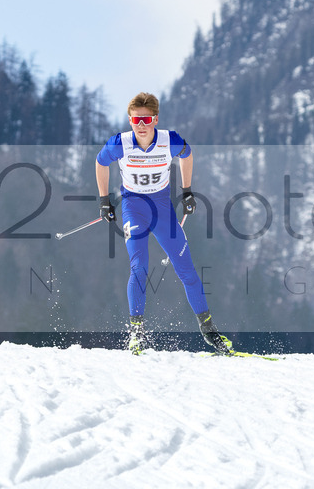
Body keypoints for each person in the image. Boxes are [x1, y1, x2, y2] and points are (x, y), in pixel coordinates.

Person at [95, 91, 235, 355]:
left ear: (156, 119)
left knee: (187, 271)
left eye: (147, 120)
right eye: (137, 121)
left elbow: (187, 155)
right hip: (134, 208)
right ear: (129, 120)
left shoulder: (169, 140)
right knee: (139, 267)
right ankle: (136, 334)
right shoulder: (119, 144)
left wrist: (187, 191)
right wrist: (104, 200)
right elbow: (100, 163)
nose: (142, 126)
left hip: (162, 210)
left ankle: (209, 332)